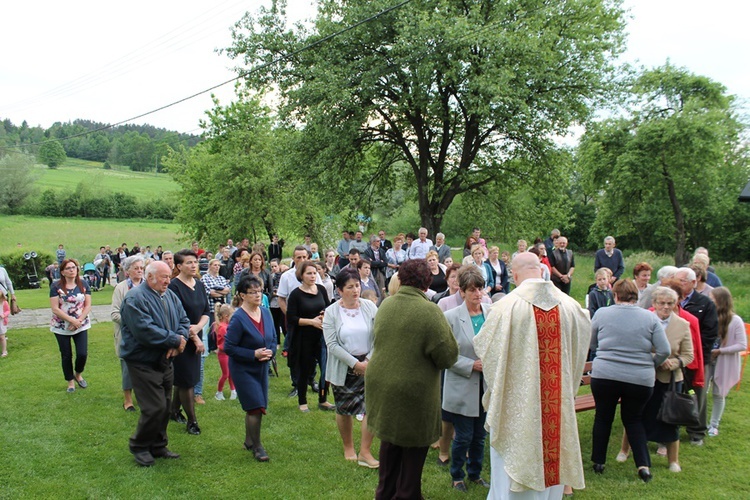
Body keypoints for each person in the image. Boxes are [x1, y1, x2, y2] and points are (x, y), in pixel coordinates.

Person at [473, 253, 590, 498]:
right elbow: (579, 352)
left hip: (516, 408)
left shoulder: (505, 307)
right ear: (541, 270)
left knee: (511, 471)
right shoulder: (571, 306)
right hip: (556, 406)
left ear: (514, 275)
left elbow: (487, 353)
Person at [366, 259, 459, 500]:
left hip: (381, 384)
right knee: (413, 448)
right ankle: (407, 494)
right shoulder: (429, 310)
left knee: (391, 443)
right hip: (411, 391)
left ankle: (386, 493)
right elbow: (447, 356)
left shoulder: (386, 304)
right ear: (427, 281)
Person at [589, 279, 670, 482]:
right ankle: (643, 466)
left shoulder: (602, 314)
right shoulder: (650, 318)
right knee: (634, 420)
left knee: (603, 417)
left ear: (615, 295)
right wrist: (651, 362)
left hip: (605, 374)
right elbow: (664, 350)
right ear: (636, 296)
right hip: (639, 378)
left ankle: (598, 461)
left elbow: (592, 342)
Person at [616, 286, 693, 473]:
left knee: (670, 419)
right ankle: (624, 450)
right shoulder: (643, 320)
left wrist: (674, 362)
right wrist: (653, 359)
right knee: (635, 414)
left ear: (676, 304)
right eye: (661, 303)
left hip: (670, 380)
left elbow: (689, 355)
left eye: (670, 303)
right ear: (654, 303)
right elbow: (633, 346)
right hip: (643, 376)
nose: (665, 307)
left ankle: (673, 461)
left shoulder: (683, 325)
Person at [119, 261, 189, 466]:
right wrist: (174, 340)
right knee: (154, 407)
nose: (168, 280)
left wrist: (179, 340)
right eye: (164, 276)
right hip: (143, 361)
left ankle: (158, 445)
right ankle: (139, 446)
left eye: (169, 276)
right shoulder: (135, 298)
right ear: (149, 277)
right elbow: (144, 330)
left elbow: (184, 321)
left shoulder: (169, 295)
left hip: (166, 360)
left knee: (166, 406)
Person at [322, 269, 379, 468]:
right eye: (350, 287)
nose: (355, 290)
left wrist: (368, 361)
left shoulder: (370, 307)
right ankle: (348, 447)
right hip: (344, 367)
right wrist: (355, 364)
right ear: (339, 290)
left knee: (371, 407)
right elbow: (332, 344)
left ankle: (365, 451)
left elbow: (379, 335)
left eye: (357, 285)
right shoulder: (331, 312)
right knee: (344, 408)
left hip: (370, 364)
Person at [442, 266, 493, 492]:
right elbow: (444, 355)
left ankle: (475, 473)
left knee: (480, 436)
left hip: (486, 386)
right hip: (462, 384)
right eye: (472, 290)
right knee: (463, 436)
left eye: (480, 289)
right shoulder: (450, 317)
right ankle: (457, 475)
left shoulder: (491, 313)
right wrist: (470, 365)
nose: (477, 294)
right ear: (462, 291)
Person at [224, 275, 277, 462]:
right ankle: (257, 447)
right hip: (243, 369)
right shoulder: (238, 318)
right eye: (252, 292)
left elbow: (273, 338)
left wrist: (270, 352)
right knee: (255, 406)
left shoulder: (266, 312)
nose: (257, 295)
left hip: (261, 368)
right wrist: (253, 354)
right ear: (242, 295)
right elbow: (229, 347)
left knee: (258, 405)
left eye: (259, 291)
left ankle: (248, 440)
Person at [168, 250, 210, 435]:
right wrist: (193, 336)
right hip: (181, 338)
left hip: (195, 334)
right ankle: (192, 421)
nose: (194, 265)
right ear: (179, 266)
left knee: (185, 379)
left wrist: (198, 329)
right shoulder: (173, 287)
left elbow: (206, 311)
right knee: (187, 381)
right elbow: (177, 316)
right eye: (189, 263)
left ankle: (173, 410)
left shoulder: (199, 285)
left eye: (195, 262)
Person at [675, 266, 718, 446]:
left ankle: (696, 432)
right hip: (675, 357)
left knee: (696, 393)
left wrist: (693, 353)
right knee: (674, 393)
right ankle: (671, 426)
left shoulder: (705, 303)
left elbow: (709, 333)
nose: (678, 284)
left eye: (682, 281)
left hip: (698, 358)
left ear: (694, 283)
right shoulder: (671, 301)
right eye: (676, 280)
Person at [287, 260, 333, 412]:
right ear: (301, 275)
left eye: (314, 273)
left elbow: (328, 307)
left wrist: (324, 314)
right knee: (305, 370)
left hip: (321, 337)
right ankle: (302, 402)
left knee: (325, 369)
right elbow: (291, 318)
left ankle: (323, 399)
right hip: (303, 338)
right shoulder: (296, 294)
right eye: (309, 273)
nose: (313, 276)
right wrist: (311, 322)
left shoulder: (321, 289)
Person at [708, 287, 747, 436]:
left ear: (720, 301)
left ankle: (713, 424)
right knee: (700, 392)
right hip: (708, 360)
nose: (710, 301)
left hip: (723, 361)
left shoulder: (735, 320)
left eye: (712, 299)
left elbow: (742, 345)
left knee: (718, 394)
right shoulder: (709, 315)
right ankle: (696, 421)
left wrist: (720, 351)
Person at [49, 259, 92, 393]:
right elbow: (55, 308)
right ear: (62, 272)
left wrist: (78, 321)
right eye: (68, 268)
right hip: (61, 326)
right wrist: (71, 321)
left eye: (74, 267)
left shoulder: (83, 284)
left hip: (81, 324)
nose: (72, 270)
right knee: (66, 355)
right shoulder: (56, 287)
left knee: (82, 353)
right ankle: (70, 382)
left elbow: (88, 305)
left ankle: (78, 374)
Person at [111, 255, 146, 411]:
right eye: (136, 268)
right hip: (127, 336)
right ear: (127, 271)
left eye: (141, 268)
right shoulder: (121, 288)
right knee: (127, 368)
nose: (139, 271)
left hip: (146, 335)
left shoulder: (148, 286)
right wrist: (134, 323)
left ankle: (144, 397)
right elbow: (114, 314)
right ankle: (128, 400)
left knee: (145, 367)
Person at [213, 304, 237, 401]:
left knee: (231, 373)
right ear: (226, 316)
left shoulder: (226, 326)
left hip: (229, 353)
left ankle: (233, 390)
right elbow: (230, 339)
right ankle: (219, 392)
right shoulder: (223, 328)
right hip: (223, 354)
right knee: (225, 374)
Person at [0, 289, 9, 357]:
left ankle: (4, 351)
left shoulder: (4, 302)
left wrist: (4, 315)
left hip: (1, 322)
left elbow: (8, 310)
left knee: (2, 337)